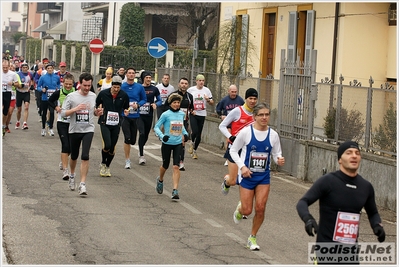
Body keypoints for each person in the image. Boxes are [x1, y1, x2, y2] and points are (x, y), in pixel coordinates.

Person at [296, 140, 385, 264]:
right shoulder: (328, 181)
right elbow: (302, 202)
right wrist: (308, 219)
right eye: (349, 153)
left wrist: (377, 225)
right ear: (340, 159)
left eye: (357, 153)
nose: (354, 156)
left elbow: (373, 213)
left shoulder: (366, 187)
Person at [230, 102, 285, 251]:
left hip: (263, 177)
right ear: (254, 116)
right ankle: (240, 209)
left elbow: (276, 154)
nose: (264, 117)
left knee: (260, 208)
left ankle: (252, 237)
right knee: (247, 210)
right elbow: (233, 151)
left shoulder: (273, 135)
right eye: (261, 115)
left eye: (267, 114)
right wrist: (242, 167)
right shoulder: (246, 132)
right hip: (247, 176)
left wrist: (279, 159)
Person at [60, 73, 103, 196]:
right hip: (74, 130)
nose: (87, 88)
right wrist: (75, 109)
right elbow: (63, 114)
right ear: (79, 84)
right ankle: (72, 175)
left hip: (88, 129)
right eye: (85, 85)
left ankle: (82, 184)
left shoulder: (93, 96)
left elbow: (93, 112)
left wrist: (97, 112)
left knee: (85, 155)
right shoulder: (71, 96)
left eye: (89, 85)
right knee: (74, 156)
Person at [219, 88, 258, 195]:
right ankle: (227, 181)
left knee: (246, 180)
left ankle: (242, 208)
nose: (252, 101)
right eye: (250, 98)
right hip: (234, 149)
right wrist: (230, 137)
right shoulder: (237, 111)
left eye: (255, 99)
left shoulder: (257, 114)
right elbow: (222, 126)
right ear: (246, 99)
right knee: (233, 181)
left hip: (249, 150)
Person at [154, 93, 189, 201]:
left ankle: (175, 190)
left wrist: (186, 134)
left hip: (178, 143)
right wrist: (162, 136)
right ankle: (160, 179)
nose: (176, 104)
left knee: (176, 166)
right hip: (167, 143)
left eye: (178, 102)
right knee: (165, 165)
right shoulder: (166, 114)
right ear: (170, 103)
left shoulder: (181, 114)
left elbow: (181, 126)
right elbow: (156, 127)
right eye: (174, 102)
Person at [96, 75, 129, 177]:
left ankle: (107, 166)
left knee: (112, 148)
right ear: (111, 86)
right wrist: (99, 109)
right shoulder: (103, 93)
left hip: (116, 124)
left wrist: (126, 111)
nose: (116, 89)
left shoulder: (123, 95)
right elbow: (97, 103)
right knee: (107, 145)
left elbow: (126, 107)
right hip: (104, 123)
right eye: (114, 87)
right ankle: (102, 163)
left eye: (118, 88)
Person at [48, 73, 76, 180]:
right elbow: (50, 101)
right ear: (63, 83)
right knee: (65, 145)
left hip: (73, 122)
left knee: (72, 147)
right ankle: (65, 170)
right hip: (62, 121)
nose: (68, 86)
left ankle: (63, 159)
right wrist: (56, 107)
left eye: (70, 84)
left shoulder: (76, 92)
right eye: (66, 84)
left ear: (73, 84)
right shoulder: (59, 92)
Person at [164, 77, 194, 171]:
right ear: (178, 84)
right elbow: (165, 106)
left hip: (183, 122)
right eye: (182, 83)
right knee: (175, 140)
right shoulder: (173, 95)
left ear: (187, 85)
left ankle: (181, 161)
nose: (183, 85)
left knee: (183, 141)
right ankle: (171, 159)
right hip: (173, 123)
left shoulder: (190, 96)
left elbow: (191, 108)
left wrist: (192, 111)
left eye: (185, 83)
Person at [120, 67, 147, 169]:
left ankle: (130, 147)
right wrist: (123, 108)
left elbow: (144, 99)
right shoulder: (122, 87)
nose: (131, 75)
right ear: (126, 75)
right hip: (125, 116)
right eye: (129, 73)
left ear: (135, 75)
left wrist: (138, 105)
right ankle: (127, 160)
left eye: (133, 73)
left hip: (135, 116)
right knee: (127, 138)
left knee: (133, 141)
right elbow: (118, 99)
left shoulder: (139, 87)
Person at [187, 74, 214, 159]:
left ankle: (194, 150)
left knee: (199, 134)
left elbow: (212, 102)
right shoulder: (191, 90)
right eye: (200, 80)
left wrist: (208, 100)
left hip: (202, 113)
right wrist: (190, 110)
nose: (201, 82)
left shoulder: (207, 90)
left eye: (203, 80)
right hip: (193, 113)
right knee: (194, 131)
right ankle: (191, 142)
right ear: (196, 81)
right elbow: (186, 100)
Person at [216, 84, 245, 165]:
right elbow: (218, 109)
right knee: (229, 140)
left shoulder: (240, 100)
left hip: (238, 124)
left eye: (235, 92)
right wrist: (221, 116)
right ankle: (228, 157)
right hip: (229, 123)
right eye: (232, 92)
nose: (234, 93)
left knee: (238, 140)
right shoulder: (224, 100)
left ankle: (237, 156)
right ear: (229, 91)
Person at [137, 71, 162, 165]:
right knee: (142, 133)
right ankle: (141, 155)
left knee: (146, 135)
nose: (148, 79)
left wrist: (156, 104)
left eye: (150, 77)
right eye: (146, 77)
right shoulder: (139, 88)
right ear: (143, 78)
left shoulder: (154, 89)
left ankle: (140, 147)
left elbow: (160, 101)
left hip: (149, 114)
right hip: (139, 115)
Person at [37, 62, 60, 136]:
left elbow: (59, 84)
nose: (50, 70)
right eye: (48, 68)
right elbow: (38, 87)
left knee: (52, 112)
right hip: (45, 98)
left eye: (51, 68)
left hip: (53, 98)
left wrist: (58, 89)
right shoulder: (43, 77)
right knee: (44, 113)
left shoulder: (57, 77)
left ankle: (51, 128)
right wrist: (42, 90)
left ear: (53, 69)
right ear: (46, 69)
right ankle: (43, 128)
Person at [2, 60, 21, 135]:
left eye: (6, 67)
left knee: (6, 111)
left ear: (9, 67)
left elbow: (18, 84)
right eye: (3, 67)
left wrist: (12, 83)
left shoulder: (13, 74)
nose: (5, 69)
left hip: (8, 93)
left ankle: (4, 125)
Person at [15, 63, 34, 130]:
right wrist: (20, 86)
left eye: (26, 67)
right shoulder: (18, 74)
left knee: (26, 107)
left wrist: (32, 85)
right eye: (23, 67)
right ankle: (18, 121)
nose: (25, 69)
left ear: (28, 68)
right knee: (19, 109)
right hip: (19, 93)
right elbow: (15, 83)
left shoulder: (30, 74)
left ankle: (25, 123)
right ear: (21, 68)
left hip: (26, 93)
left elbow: (32, 80)